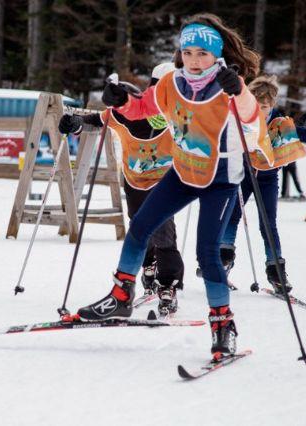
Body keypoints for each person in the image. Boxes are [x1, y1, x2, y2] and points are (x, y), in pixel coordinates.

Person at [75, 13, 270, 363]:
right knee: (140, 226)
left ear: (217, 55)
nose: (194, 61)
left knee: (207, 253)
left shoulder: (229, 85)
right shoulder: (170, 83)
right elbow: (141, 109)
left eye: (203, 54)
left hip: (221, 179)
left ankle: (223, 326)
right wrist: (119, 100)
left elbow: (252, 117)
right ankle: (121, 296)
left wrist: (239, 89)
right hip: (182, 172)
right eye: (188, 52)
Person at [58, 62, 184, 317]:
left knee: (164, 232)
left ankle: (168, 285)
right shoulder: (124, 113)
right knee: (138, 226)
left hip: (165, 183)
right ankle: (148, 266)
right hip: (134, 181)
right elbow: (97, 119)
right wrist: (74, 123)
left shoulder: (180, 117)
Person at [217, 75, 306, 293]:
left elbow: (296, 134)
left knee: (268, 222)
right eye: (256, 106)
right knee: (232, 214)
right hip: (243, 175)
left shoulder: (278, 122)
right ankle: (224, 258)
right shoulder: (241, 118)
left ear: (273, 105)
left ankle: (276, 270)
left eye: (265, 107)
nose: (260, 112)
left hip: (267, 178)